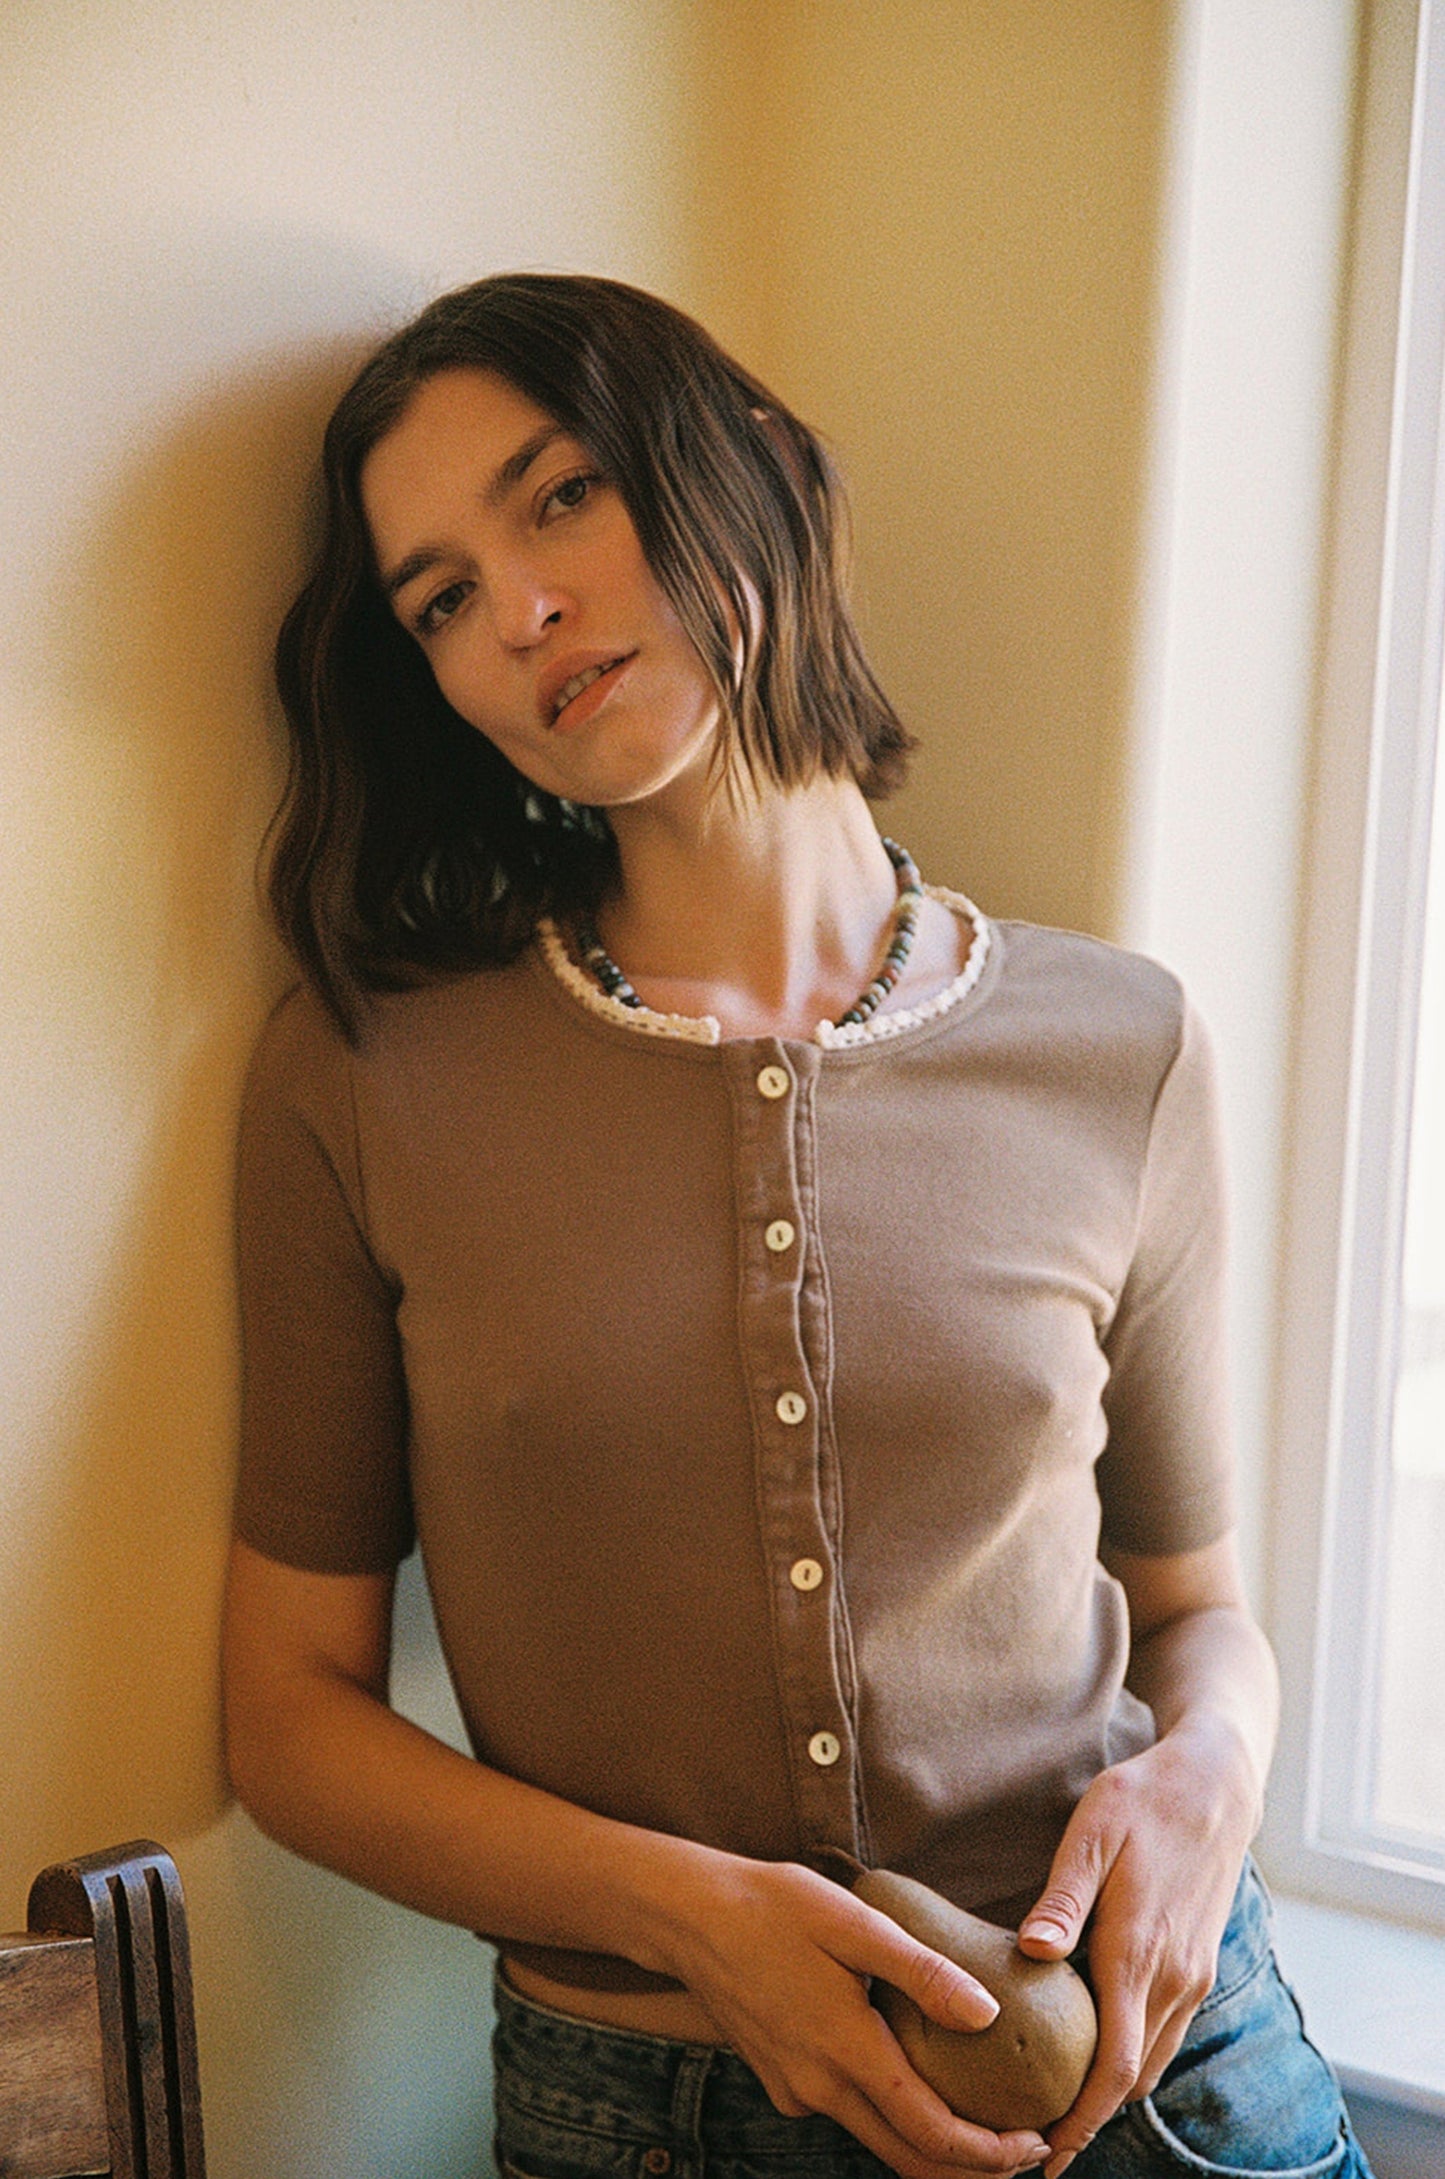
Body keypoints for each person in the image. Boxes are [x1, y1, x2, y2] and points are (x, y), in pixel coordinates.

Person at [223, 273, 1371, 2179]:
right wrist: (693, 1921)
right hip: (650, 2114)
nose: (519, 611)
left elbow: (1196, 1611)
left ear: (744, 463)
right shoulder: (360, 1078)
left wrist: (1210, 1781)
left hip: (1158, 2073)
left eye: (563, 495)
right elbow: (287, 1723)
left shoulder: (1122, 1043)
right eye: (438, 598)